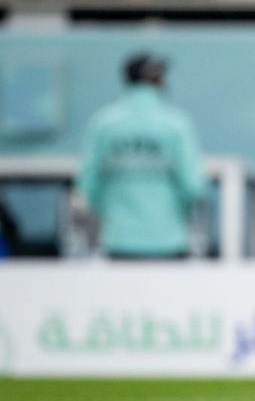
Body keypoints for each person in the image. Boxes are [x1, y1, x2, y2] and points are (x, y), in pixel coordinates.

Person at [76, 54, 208, 259]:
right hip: (170, 241)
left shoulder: (104, 124)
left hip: (118, 241)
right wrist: (181, 217)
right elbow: (193, 187)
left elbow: (88, 185)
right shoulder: (176, 125)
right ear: (157, 80)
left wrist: (111, 216)